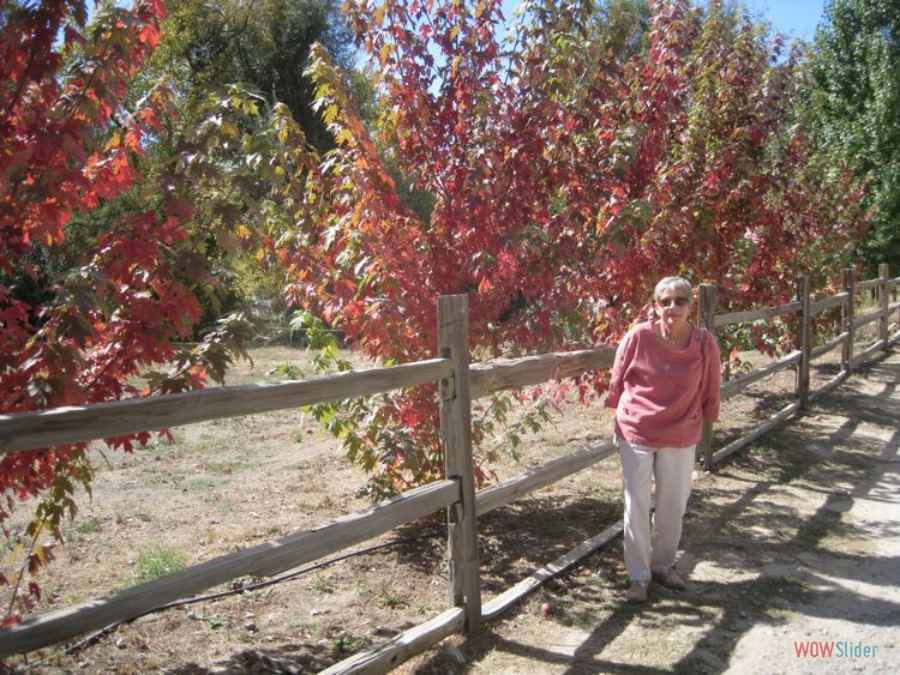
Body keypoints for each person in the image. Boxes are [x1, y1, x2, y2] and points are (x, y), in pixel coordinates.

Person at [604, 276, 721, 603]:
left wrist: (709, 413)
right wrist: (615, 408)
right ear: (655, 306)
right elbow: (619, 375)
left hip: (682, 429)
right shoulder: (639, 336)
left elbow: (711, 384)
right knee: (637, 503)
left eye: (680, 300)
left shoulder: (704, 343)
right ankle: (638, 577)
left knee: (673, 502)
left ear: (690, 306)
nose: (673, 307)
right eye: (665, 301)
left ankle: (663, 566)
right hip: (637, 429)